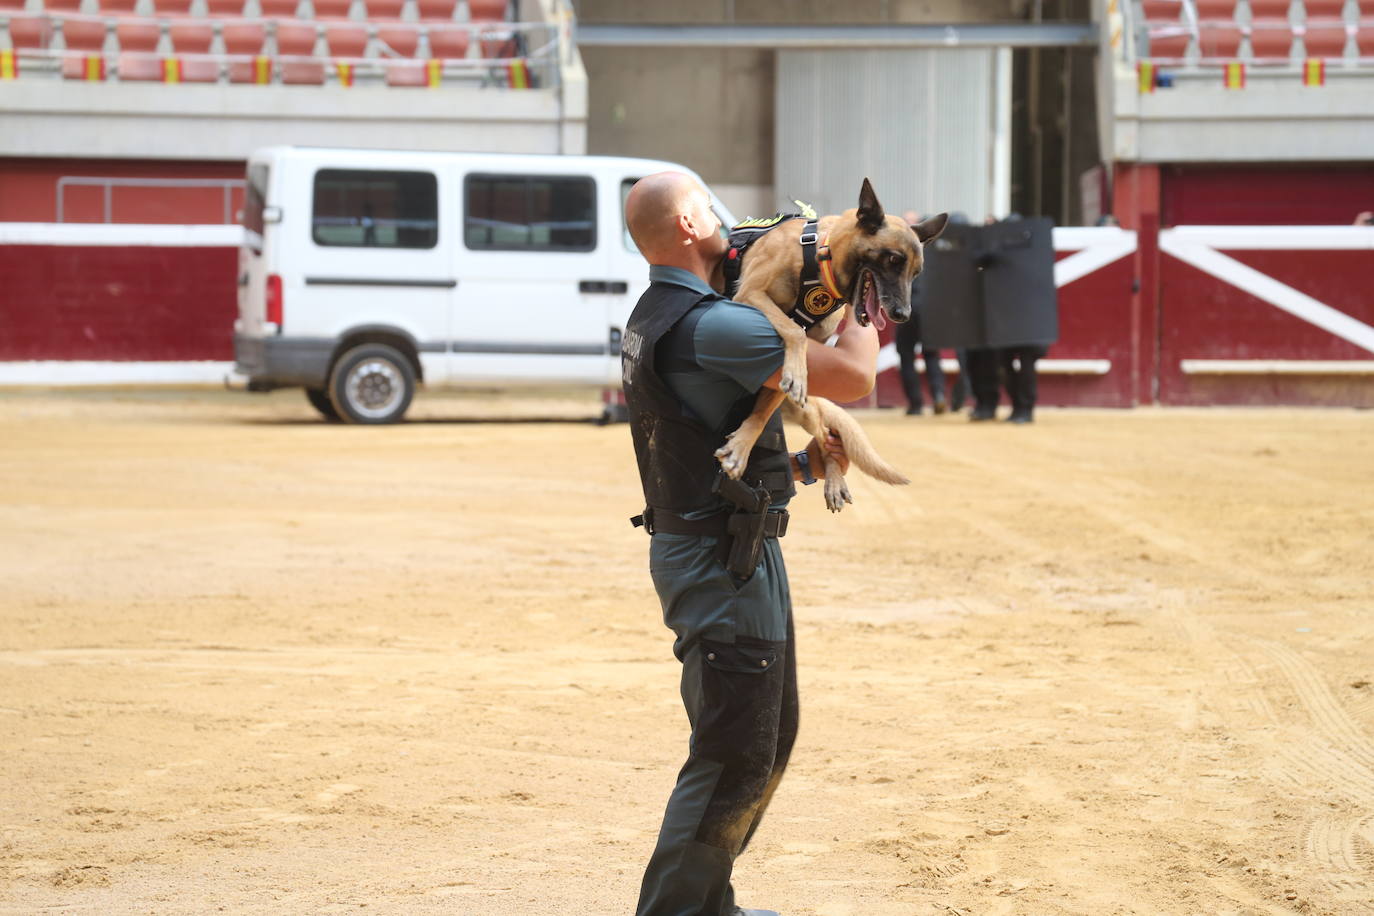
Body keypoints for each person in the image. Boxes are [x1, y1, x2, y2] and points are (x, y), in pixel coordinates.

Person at [621, 172, 878, 916]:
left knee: (761, 734)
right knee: (734, 749)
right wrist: (860, 274)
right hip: (720, 562)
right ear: (691, 225)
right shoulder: (718, 326)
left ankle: (708, 902)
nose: (735, 226)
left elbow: (704, 446)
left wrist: (799, 466)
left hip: (725, 542)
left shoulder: (669, 314)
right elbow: (856, 374)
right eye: (714, 209)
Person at [895, 209, 947, 416]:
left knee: (906, 356)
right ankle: (939, 395)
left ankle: (915, 404)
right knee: (932, 355)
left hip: (907, 306)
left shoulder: (897, 248)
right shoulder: (933, 249)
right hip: (930, 309)